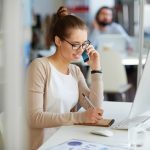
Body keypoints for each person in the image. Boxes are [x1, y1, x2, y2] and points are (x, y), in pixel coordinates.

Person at [27, 6, 104, 150]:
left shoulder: (75, 71)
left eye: (84, 45)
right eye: (75, 45)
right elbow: (34, 118)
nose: (80, 50)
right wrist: (79, 117)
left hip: (67, 141)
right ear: (58, 41)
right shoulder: (39, 67)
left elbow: (95, 108)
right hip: (44, 145)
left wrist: (96, 70)